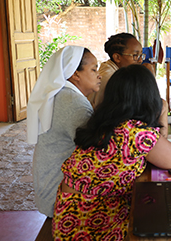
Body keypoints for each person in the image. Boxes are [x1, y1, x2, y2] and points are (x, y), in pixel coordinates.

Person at [52, 65, 171, 240]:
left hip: (70, 219)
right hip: (93, 227)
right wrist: (162, 114)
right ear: (148, 97)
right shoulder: (136, 133)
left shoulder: (104, 121)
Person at [27, 46, 101, 217]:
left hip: (49, 191)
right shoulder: (73, 103)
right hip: (59, 196)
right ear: (75, 74)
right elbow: (97, 150)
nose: (99, 75)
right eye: (93, 69)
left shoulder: (63, 94)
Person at [87, 33, 168, 137]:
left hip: (112, 125)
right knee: (162, 105)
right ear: (117, 57)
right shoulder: (110, 77)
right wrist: (149, 79)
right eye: (135, 56)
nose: (140, 60)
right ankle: (160, 141)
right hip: (105, 132)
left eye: (141, 55)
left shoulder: (113, 69)